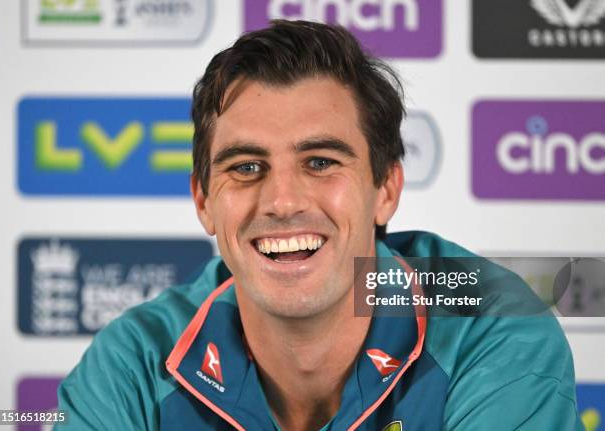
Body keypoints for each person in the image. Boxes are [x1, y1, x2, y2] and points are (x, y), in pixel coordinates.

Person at [55, 20, 583, 431]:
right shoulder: (132, 364)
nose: (283, 201)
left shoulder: (494, 326)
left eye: (321, 162)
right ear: (204, 201)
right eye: (245, 167)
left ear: (386, 190)